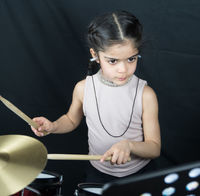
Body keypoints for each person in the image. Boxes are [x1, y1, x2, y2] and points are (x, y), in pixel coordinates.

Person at [31, 10, 161, 183]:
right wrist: (53, 126)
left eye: (131, 59)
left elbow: (154, 148)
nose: (123, 69)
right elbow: (71, 120)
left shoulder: (146, 94)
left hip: (138, 175)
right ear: (95, 55)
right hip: (97, 173)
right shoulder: (83, 88)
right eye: (113, 61)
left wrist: (129, 145)